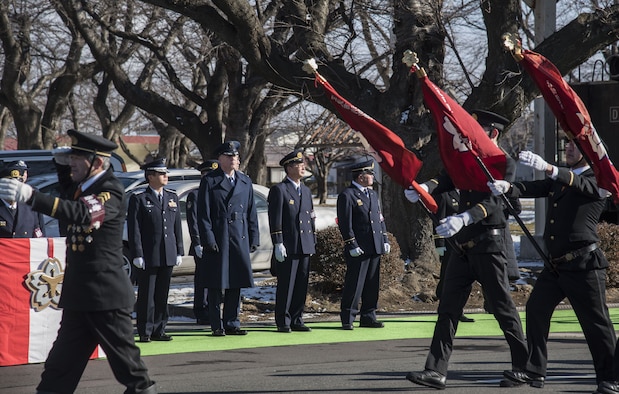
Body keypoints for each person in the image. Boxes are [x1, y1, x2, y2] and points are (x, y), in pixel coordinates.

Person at [0, 129, 155, 393]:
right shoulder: (85, 186)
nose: (71, 161)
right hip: (80, 296)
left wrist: (31, 196)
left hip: (105, 298)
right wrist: (61, 167)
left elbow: (81, 213)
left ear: (96, 163)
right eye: (70, 156)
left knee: (132, 374)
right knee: (58, 371)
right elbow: (70, 193)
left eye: (77, 158)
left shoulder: (110, 191)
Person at [403, 110, 528, 390]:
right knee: (448, 308)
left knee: (502, 308)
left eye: (476, 131)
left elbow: (497, 204)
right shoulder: (468, 161)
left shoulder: (502, 163)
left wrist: (466, 217)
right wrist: (424, 188)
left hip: (489, 244)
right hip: (463, 247)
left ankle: (523, 366)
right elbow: (446, 178)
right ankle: (435, 370)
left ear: (492, 133)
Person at [488, 140, 617, 393]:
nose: (569, 148)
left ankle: (611, 377)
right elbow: (536, 186)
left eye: (575, 146)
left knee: (596, 324)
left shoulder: (600, 180)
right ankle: (535, 370)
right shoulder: (561, 177)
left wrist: (548, 167)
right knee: (536, 309)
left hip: (583, 265)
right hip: (556, 266)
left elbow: (581, 185)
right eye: (567, 144)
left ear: (589, 152)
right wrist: (509, 187)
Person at [197, 141, 259, 336]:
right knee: (217, 282)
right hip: (220, 235)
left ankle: (233, 322)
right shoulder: (210, 181)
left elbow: (251, 212)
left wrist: (253, 237)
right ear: (220, 159)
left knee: (236, 281)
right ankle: (217, 324)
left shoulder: (244, 181)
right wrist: (208, 238)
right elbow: (203, 214)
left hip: (238, 236)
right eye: (229, 156)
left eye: (236, 157)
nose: (234, 159)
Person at [128, 158, 184, 343]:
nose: (165, 176)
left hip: (167, 253)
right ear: (150, 176)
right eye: (161, 173)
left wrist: (179, 251)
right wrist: (137, 253)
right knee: (147, 295)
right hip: (149, 254)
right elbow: (134, 228)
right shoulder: (139, 199)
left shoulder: (171, 197)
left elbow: (176, 227)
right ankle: (145, 330)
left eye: (166, 173)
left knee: (162, 294)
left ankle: (160, 329)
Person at [336, 159, 390, 330]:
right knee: (355, 283)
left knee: (372, 283)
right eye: (370, 174)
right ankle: (348, 317)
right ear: (360, 177)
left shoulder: (372, 194)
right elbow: (345, 223)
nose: (372, 177)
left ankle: (368, 316)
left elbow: (379, 219)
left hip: (374, 245)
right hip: (359, 247)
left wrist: (385, 239)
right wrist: (351, 244)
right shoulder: (348, 195)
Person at [268, 149, 316, 333]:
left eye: (303, 164)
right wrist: (278, 242)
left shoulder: (305, 190)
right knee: (286, 284)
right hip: (288, 245)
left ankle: (297, 318)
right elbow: (276, 218)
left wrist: (312, 241)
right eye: (298, 164)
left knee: (301, 284)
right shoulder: (280, 190)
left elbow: (310, 217)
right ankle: (283, 320)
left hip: (304, 244)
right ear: (289, 168)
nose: (303, 167)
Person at [432, 190, 474, 323]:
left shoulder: (468, 193)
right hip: (451, 244)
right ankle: (444, 308)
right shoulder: (444, 194)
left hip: (467, 242)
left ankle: (459, 309)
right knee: (447, 277)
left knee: (464, 278)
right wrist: (440, 243)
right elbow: (438, 219)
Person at [186, 159, 219, 325]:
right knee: (202, 279)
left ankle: (212, 308)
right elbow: (194, 222)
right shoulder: (196, 194)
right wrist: (197, 242)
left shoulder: (217, 193)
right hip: (202, 244)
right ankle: (201, 309)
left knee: (214, 278)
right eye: (208, 174)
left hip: (215, 242)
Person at [0, 160, 44, 238]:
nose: (13, 188)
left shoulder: (29, 208)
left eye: (17, 185)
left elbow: (38, 236)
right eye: (9, 184)